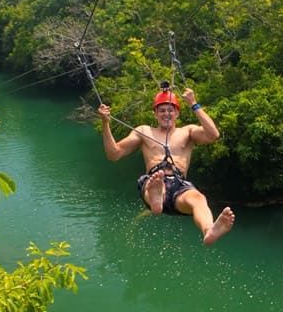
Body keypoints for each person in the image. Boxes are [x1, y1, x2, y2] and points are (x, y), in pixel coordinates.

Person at [97, 84, 234, 246]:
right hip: (153, 180)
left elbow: (213, 135)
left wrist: (194, 104)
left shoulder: (188, 132)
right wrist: (105, 124)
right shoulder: (144, 131)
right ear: (155, 114)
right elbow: (114, 154)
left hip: (179, 186)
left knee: (198, 198)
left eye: (170, 110)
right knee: (155, 181)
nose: (166, 114)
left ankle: (209, 230)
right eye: (161, 110)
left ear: (177, 113)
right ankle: (156, 198)